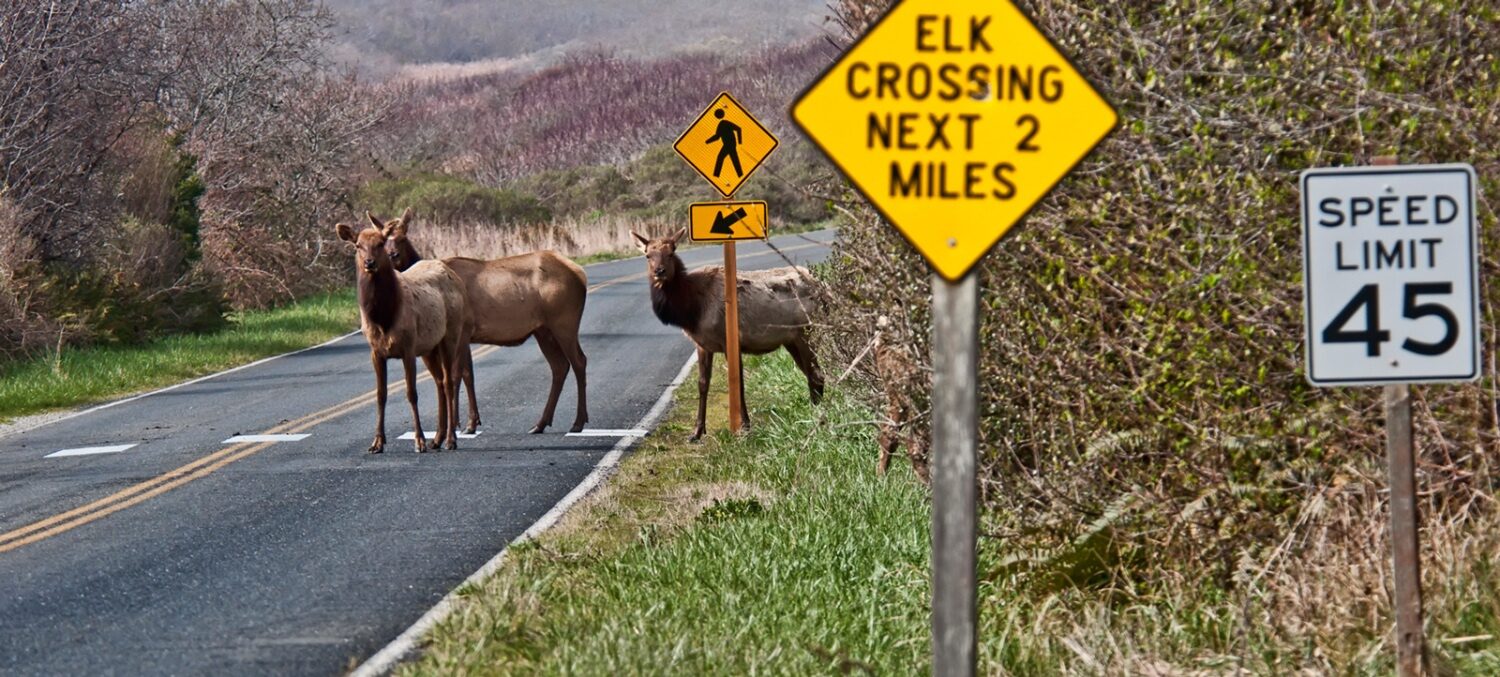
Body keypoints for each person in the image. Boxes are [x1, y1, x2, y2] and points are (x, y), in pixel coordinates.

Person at [706, 109, 743, 179]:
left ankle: (716, 175)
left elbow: (738, 129)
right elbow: (717, 137)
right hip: (729, 144)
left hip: (729, 144)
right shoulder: (722, 124)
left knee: (722, 158)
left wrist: (740, 142)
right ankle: (740, 175)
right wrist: (707, 141)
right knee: (734, 159)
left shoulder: (724, 123)